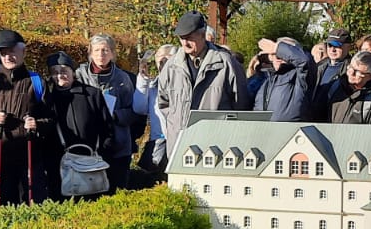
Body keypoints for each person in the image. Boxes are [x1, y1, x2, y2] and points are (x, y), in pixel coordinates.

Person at [0, 29, 52, 207]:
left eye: (12, 51)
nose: (7, 57)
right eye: (3, 53)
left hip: (31, 154)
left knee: (34, 203)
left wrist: (37, 124)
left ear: (23, 52)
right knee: (5, 204)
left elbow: (52, 119)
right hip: (0, 154)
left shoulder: (37, 82)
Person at [157, 11, 249, 157]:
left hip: (215, 148)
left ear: (203, 34)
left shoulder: (226, 64)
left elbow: (241, 105)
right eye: (182, 38)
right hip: (179, 146)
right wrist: (177, 123)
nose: (185, 43)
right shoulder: (171, 66)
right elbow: (164, 103)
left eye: (190, 38)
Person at [74, 33, 138, 190]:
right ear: (90, 53)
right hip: (89, 143)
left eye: (105, 50)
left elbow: (134, 111)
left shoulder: (123, 78)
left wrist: (115, 116)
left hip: (118, 145)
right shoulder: (80, 76)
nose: (101, 55)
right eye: (96, 50)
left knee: (117, 190)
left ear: (112, 53)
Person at [44, 52, 113, 198]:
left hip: (91, 161)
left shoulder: (92, 94)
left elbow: (107, 126)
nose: (60, 75)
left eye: (63, 71)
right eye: (55, 72)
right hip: (60, 164)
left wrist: (104, 151)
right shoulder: (47, 99)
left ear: (72, 71)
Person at [133, 44, 178, 180]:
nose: (163, 63)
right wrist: (143, 80)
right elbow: (139, 108)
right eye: (160, 60)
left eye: (167, 59)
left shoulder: (184, 82)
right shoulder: (153, 86)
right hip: (158, 141)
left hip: (177, 140)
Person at [249, 37, 316, 122]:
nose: (278, 56)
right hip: (264, 131)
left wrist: (276, 48)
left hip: (291, 132)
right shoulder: (267, 78)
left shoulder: (300, 75)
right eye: (274, 53)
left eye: (282, 53)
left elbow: (304, 61)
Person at [318, 51, 371, 124]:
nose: (351, 73)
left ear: (370, 76)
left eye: (357, 72)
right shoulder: (333, 88)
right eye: (350, 67)